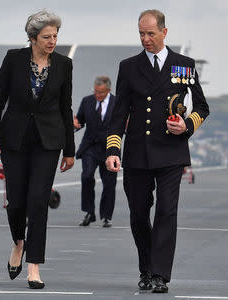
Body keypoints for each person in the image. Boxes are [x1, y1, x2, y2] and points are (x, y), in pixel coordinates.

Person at [105, 9, 209, 293]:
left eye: (150, 33)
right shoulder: (128, 67)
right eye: (141, 33)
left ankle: (160, 275)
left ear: (164, 32)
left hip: (171, 153)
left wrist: (186, 125)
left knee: (166, 212)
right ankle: (146, 267)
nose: (145, 39)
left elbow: (202, 106)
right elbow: (118, 113)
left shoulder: (183, 66)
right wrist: (113, 149)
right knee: (139, 214)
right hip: (137, 153)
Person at [0, 9, 75, 289]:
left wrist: (70, 150)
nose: (53, 41)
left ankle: (34, 266)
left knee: (38, 201)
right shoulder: (13, 60)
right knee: (16, 202)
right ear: (33, 38)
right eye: (47, 37)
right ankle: (19, 243)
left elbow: (65, 108)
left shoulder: (64, 64)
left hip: (48, 142)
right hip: (15, 140)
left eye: (55, 36)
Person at [74, 76, 117, 228]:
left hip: (109, 149)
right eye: (96, 91)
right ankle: (89, 212)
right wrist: (75, 125)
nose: (97, 95)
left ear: (109, 90)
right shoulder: (87, 101)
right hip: (90, 148)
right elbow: (79, 121)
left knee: (109, 183)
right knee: (86, 176)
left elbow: (122, 125)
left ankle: (106, 216)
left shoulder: (117, 103)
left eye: (101, 92)